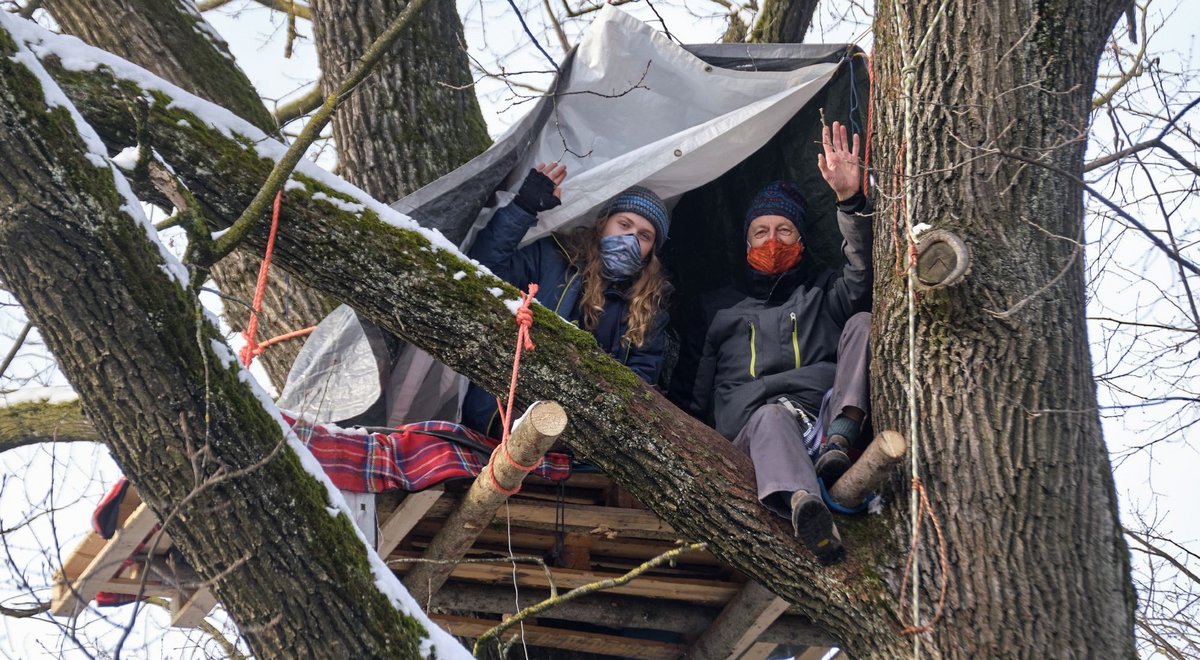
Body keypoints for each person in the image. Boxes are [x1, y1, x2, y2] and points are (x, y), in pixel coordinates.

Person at [688, 122, 872, 565]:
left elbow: (862, 274)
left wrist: (850, 200)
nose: (773, 241)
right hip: (758, 435)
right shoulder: (719, 312)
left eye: (785, 231)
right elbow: (694, 397)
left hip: (824, 416)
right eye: (761, 232)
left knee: (865, 321)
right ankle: (805, 508)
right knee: (771, 416)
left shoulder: (821, 294)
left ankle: (841, 439)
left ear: (802, 241)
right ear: (746, 242)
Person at [463, 163, 673, 437]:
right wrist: (523, 208)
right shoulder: (552, 257)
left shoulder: (648, 306)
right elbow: (481, 271)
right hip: (499, 416)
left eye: (644, 236)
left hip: (577, 437)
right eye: (624, 224)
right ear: (603, 223)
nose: (631, 238)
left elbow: (640, 380)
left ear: (651, 252)